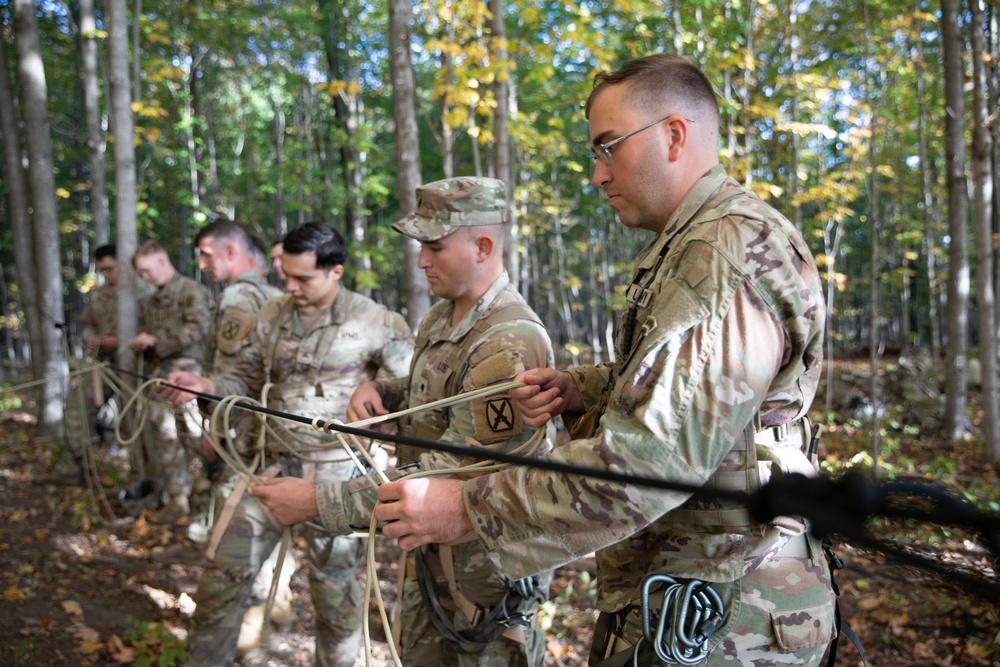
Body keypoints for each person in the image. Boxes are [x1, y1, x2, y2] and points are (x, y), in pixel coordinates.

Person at [367, 54, 836, 666]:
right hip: (690, 597)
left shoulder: (720, 255)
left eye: (608, 147)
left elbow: (651, 460)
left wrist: (468, 507)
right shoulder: (698, 244)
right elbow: (704, 399)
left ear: (673, 134)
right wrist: (584, 388)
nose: (597, 174)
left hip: (725, 618)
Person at [252, 178, 556, 667]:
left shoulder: (508, 341)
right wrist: (384, 390)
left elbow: (449, 475)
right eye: (420, 247)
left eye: (434, 247)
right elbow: (432, 393)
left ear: (482, 246)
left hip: (484, 578)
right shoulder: (444, 317)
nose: (421, 262)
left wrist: (313, 501)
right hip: (431, 558)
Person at [164, 220, 413, 667]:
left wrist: (380, 390)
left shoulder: (375, 320)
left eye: (303, 278)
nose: (291, 287)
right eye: (285, 276)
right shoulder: (273, 314)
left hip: (337, 481)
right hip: (271, 470)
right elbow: (243, 376)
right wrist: (205, 383)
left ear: (335, 272)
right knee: (222, 579)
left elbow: (413, 387)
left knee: (336, 602)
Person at [153, 219, 294, 653]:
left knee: (236, 540)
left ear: (231, 253)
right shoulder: (273, 297)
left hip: (247, 441)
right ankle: (276, 606)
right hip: (272, 438)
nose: (201, 264)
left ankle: (253, 621)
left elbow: (238, 380)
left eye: (206, 254)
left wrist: (216, 430)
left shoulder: (237, 297)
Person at [128, 240, 213, 524]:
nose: (145, 278)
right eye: (141, 273)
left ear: (162, 262)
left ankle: (208, 502)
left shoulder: (190, 291)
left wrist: (156, 340)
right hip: (161, 379)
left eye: (147, 271)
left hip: (190, 378)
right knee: (167, 440)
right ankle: (178, 500)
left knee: (197, 439)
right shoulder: (152, 301)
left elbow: (200, 328)